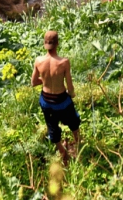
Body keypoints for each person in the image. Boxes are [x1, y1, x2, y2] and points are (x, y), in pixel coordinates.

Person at [32, 30, 82, 161]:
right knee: (73, 122)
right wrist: (72, 94)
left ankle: (62, 151)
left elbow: (33, 82)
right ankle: (78, 146)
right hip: (61, 100)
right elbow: (69, 84)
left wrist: (45, 80)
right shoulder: (64, 62)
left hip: (46, 101)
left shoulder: (38, 61)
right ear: (57, 44)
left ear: (45, 44)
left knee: (52, 126)